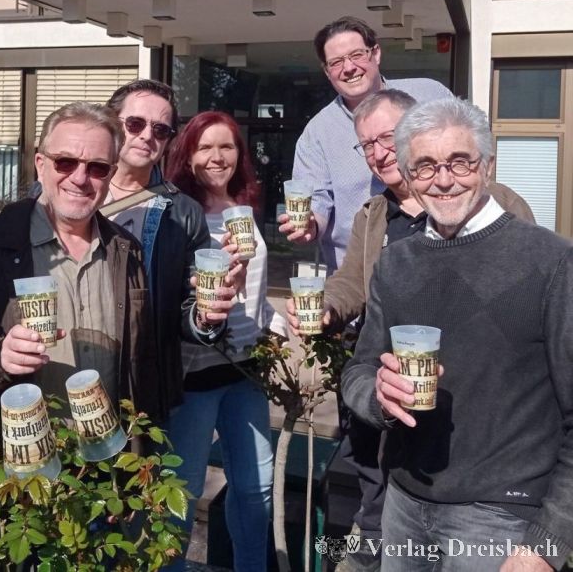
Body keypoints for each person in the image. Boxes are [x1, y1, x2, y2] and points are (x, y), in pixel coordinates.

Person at [286, 89, 535, 571]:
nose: (379, 152)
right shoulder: (374, 215)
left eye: (387, 137)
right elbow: (351, 281)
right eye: (367, 144)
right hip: (393, 401)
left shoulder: (494, 204)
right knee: (380, 512)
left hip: (476, 420)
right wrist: (327, 310)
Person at [341, 98, 573, 571]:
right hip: (403, 505)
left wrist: (548, 542)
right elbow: (359, 369)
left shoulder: (551, 262)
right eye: (425, 166)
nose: (443, 180)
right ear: (409, 175)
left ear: (487, 165)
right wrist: (377, 397)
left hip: (501, 517)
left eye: (460, 162)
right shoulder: (396, 262)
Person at [0, 101, 168, 470]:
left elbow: (141, 364)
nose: (80, 178)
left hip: (107, 466)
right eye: (65, 162)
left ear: (111, 173)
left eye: (97, 167)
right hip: (19, 473)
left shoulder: (126, 251)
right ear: (40, 164)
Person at [163, 111, 285, 571]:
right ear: (187, 154)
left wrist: (273, 326)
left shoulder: (243, 207)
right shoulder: (178, 212)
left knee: (256, 488)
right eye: (205, 147)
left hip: (245, 371)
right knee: (183, 492)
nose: (217, 157)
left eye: (227, 146)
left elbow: (255, 289)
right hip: (195, 375)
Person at [103, 80, 241, 418]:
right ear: (111, 123)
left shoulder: (183, 212)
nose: (146, 136)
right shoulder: (71, 190)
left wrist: (205, 316)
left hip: (142, 384)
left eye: (160, 130)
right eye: (135, 123)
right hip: (69, 368)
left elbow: (189, 307)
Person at [280, 16, 454, 273]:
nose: (349, 68)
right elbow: (316, 200)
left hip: (443, 262)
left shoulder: (430, 96)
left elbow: (468, 153)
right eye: (336, 62)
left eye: (357, 55)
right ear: (327, 72)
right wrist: (310, 225)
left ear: (376, 53)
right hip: (360, 280)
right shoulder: (316, 134)